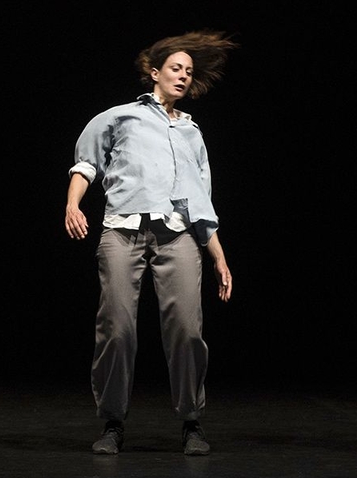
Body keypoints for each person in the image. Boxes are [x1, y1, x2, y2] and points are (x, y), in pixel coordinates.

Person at [64, 31, 236, 457]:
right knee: (117, 329)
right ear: (154, 73)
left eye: (189, 71)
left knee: (187, 330)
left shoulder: (192, 132)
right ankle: (112, 421)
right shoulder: (120, 116)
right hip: (122, 232)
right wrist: (72, 204)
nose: (183, 76)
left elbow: (200, 201)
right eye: (175, 68)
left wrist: (218, 256)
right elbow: (86, 163)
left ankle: (191, 422)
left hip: (177, 235)